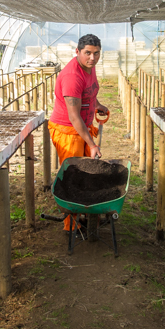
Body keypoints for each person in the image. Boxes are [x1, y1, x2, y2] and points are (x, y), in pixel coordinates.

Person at [48, 34, 110, 232]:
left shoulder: (89, 69)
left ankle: (84, 213)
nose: (92, 58)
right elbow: (74, 117)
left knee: (86, 173)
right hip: (68, 130)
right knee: (73, 177)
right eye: (88, 53)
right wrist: (92, 144)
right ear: (77, 52)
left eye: (96, 53)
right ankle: (71, 227)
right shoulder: (72, 76)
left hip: (82, 127)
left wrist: (98, 106)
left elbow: (89, 94)